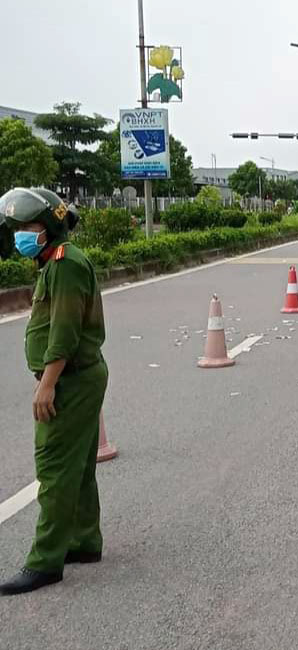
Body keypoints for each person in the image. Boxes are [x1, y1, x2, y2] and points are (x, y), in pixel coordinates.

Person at [0, 188, 108, 597]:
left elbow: (64, 329)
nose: (19, 236)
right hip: (78, 376)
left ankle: (45, 561)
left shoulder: (64, 265)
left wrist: (47, 384)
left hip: (71, 379)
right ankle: (84, 541)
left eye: (25, 228)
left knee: (55, 467)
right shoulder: (54, 263)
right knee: (78, 467)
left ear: (45, 229)